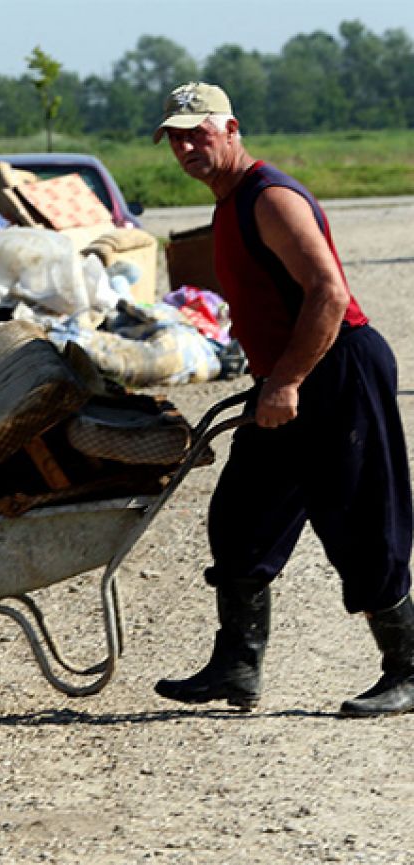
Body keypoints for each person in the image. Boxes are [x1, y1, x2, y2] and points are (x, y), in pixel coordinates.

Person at [151, 82, 414, 717]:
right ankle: (237, 666)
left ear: (232, 129)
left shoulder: (267, 197)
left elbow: (327, 293)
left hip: (337, 370)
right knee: (240, 515)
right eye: (176, 137)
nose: (188, 145)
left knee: (360, 526)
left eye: (199, 131)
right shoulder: (229, 203)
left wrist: (289, 381)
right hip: (288, 378)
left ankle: (408, 668)